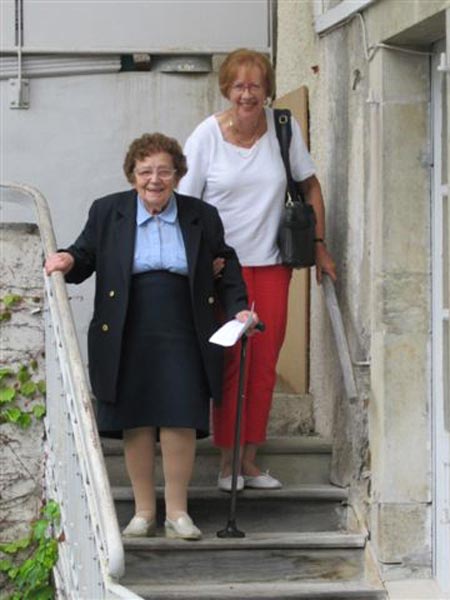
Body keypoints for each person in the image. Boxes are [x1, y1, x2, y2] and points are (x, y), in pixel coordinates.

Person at [45, 132, 257, 540]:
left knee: (180, 415)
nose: (154, 180)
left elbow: (225, 264)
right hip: (126, 324)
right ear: (132, 175)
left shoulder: (201, 215)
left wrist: (239, 308)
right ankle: (143, 512)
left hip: (185, 324)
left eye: (164, 171)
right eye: (145, 172)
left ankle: (178, 512)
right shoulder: (108, 211)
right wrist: (68, 259)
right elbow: (85, 254)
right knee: (136, 419)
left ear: (177, 174)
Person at [178, 48, 337, 492]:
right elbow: (185, 205)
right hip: (222, 269)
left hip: (272, 264)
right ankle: (226, 462)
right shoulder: (206, 136)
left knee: (263, 363)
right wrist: (198, 258)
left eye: (255, 85)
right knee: (232, 361)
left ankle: (249, 460)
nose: (247, 94)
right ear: (226, 89)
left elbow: (310, 186)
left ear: (267, 89)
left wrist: (320, 246)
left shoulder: (283, 128)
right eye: (239, 86)